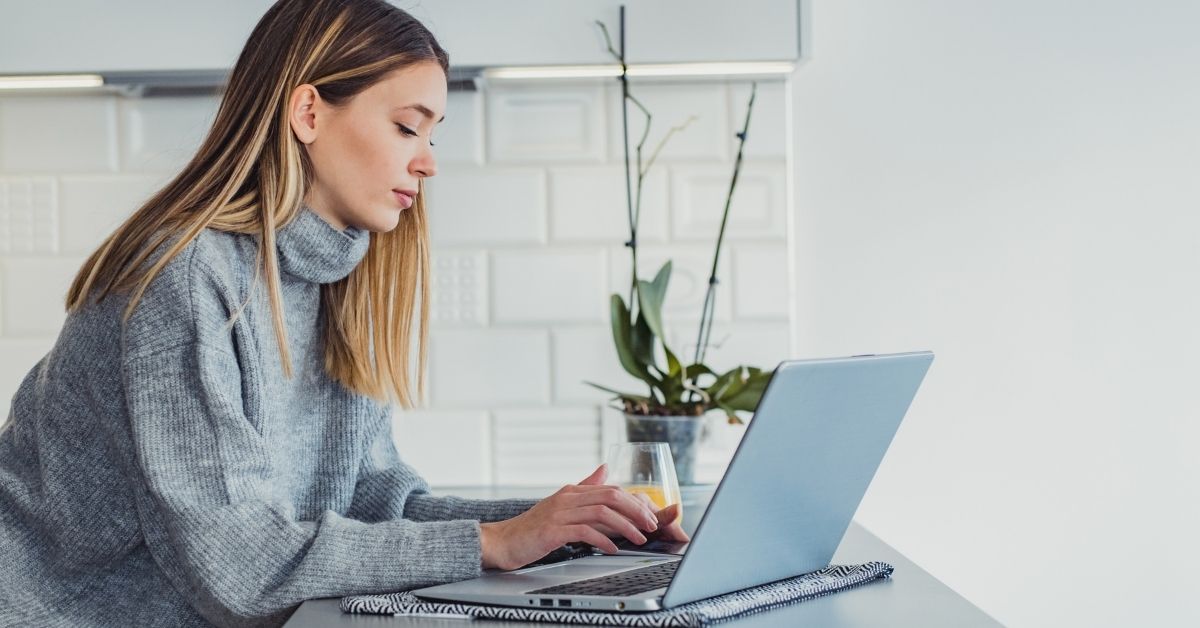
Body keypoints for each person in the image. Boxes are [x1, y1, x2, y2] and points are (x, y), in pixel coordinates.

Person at [0, 1, 687, 626]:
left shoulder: (336, 274)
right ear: (307, 113)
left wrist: (556, 523)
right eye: (406, 127)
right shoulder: (184, 280)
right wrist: (493, 544)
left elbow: (373, 504)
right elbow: (240, 567)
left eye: (432, 136)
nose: (428, 163)